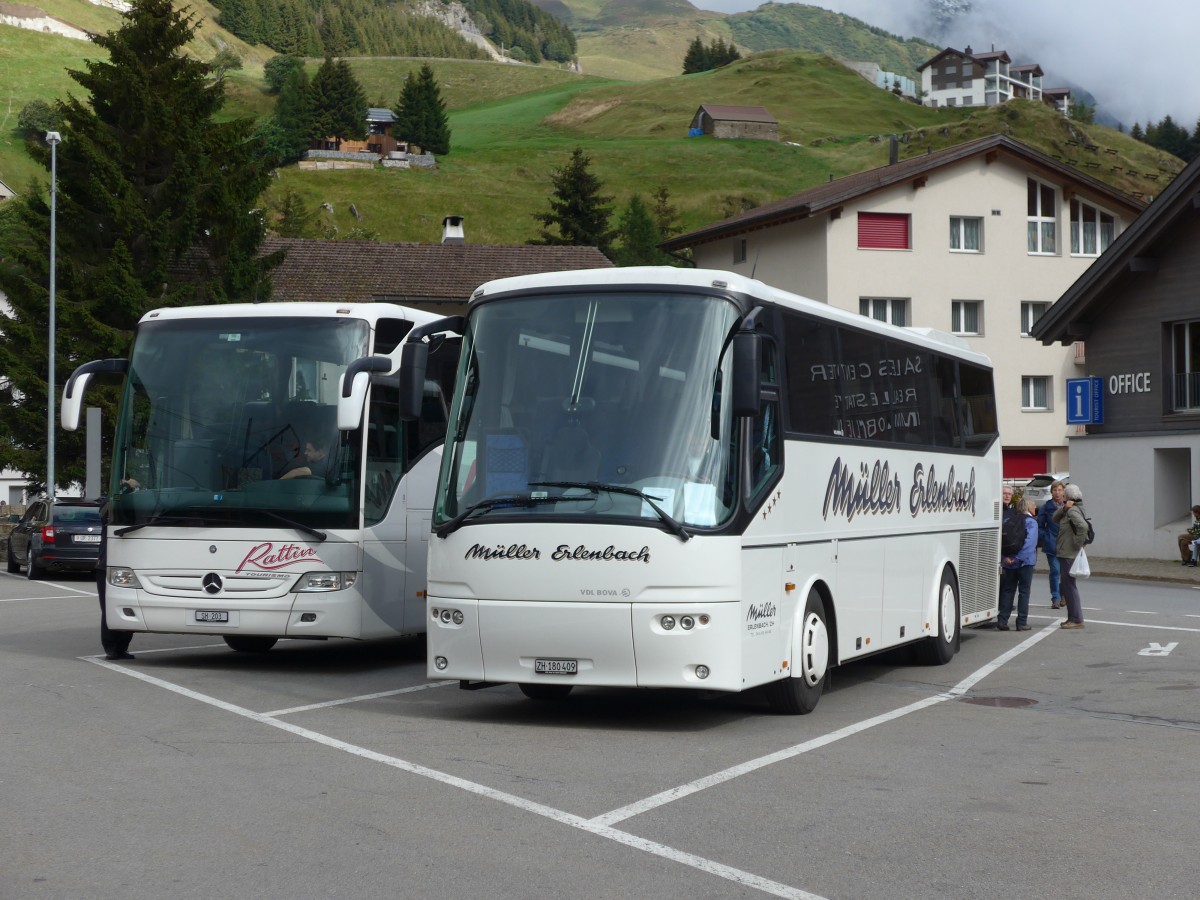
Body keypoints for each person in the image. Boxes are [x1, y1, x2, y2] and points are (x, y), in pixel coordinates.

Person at [96, 496, 134, 661]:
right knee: (109, 608)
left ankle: (122, 647)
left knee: (128, 605)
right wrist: (123, 492)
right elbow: (105, 515)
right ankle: (111, 648)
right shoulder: (108, 502)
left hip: (127, 564)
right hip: (106, 565)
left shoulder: (135, 503)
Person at [1053, 483, 1090, 629]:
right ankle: (1072, 617)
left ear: (1067, 496)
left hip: (1068, 552)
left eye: (1064, 494)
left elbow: (1083, 526)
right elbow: (1055, 518)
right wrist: (1064, 508)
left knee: (1069, 586)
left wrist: (1077, 544)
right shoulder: (1071, 509)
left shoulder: (1073, 511)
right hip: (1068, 551)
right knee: (1068, 586)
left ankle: (1076, 619)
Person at [998, 499, 1038, 631]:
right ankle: (1021, 622)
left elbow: (1001, 541)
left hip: (1009, 563)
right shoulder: (1031, 522)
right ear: (1028, 507)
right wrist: (1018, 558)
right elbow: (1030, 544)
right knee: (1024, 592)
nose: (1035, 507)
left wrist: (1006, 558)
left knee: (1008, 590)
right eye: (1033, 505)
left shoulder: (1007, 521)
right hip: (1025, 562)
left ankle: (1002, 620)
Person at [1039, 481, 1066, 607]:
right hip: (1052, 544)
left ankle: (1063, 595)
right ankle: (1055, 597)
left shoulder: (1068, 506)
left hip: (1066, 545)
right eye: (1055, 490)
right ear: (1051, 492)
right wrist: (1046, 537)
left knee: (1065, 573)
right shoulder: (1046, 507)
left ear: (1063, 492)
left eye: (1060, 490)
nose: (1057, 492)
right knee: (1055, 571)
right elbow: (1039, 526)